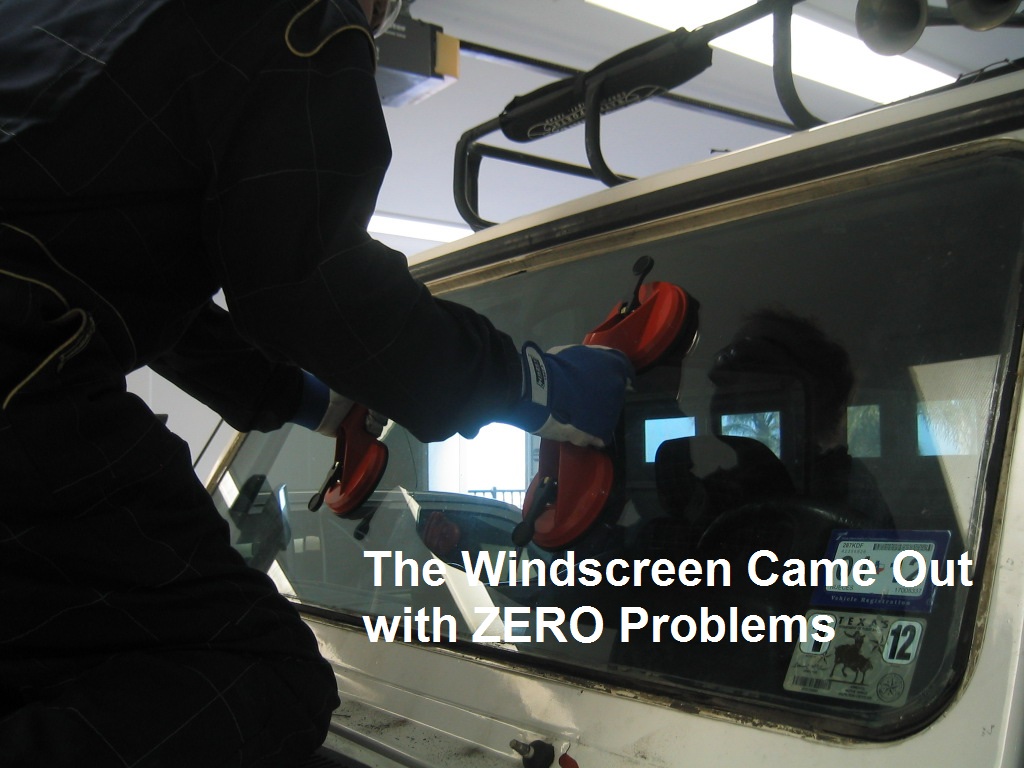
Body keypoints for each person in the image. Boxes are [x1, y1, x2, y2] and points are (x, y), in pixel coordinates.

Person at [0, 1, 633, 765]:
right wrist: (533, 387)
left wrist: (309, 400)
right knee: (262, 675)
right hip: (19, 381)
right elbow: (318, 289)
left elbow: (126, 273)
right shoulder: (302, 16)